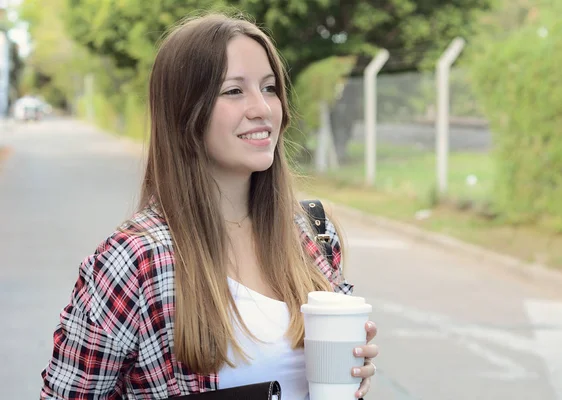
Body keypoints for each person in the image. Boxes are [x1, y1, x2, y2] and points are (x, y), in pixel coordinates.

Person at [40, 12, 379, 400]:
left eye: (269, 88)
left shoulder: (313, 231)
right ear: (186, 113)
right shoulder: (135, 260)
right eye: (234, 91)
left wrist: (354, 370)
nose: (262, 108)